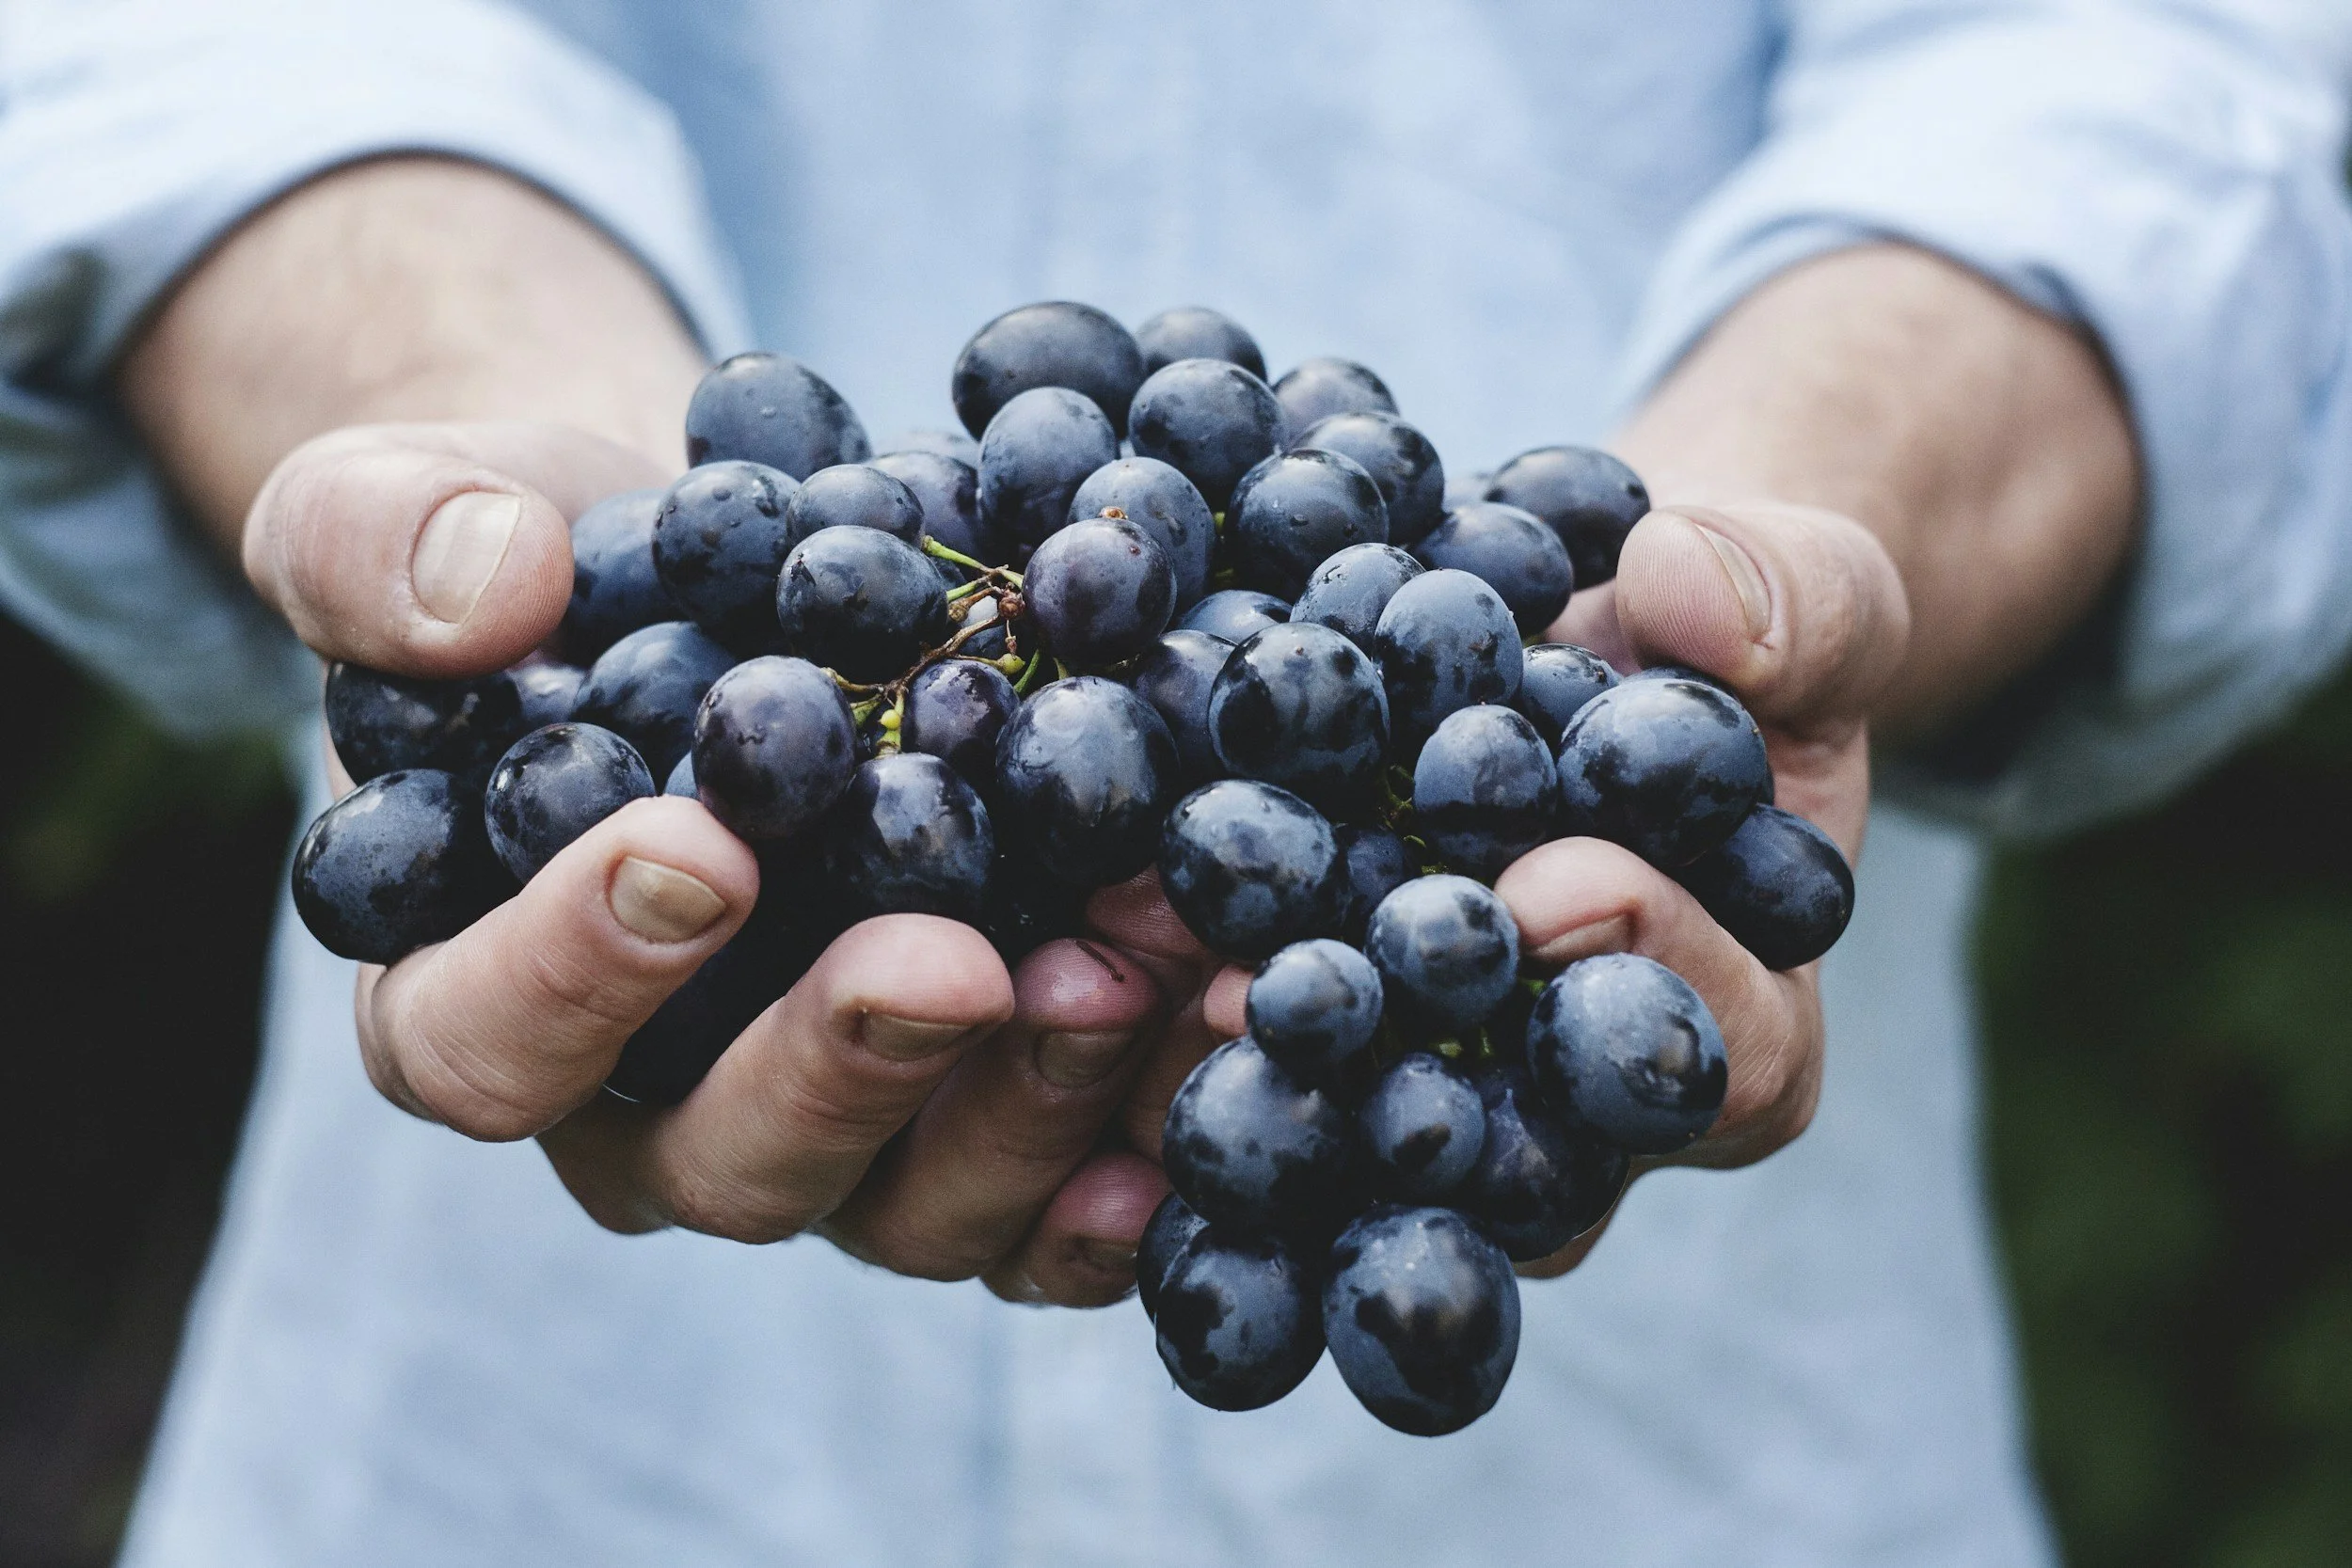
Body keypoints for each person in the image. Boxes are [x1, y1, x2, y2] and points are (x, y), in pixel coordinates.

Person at [4, 1, 2349, 1561]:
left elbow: (2152, 77)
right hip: (528, 1455)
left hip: (1679, 1463)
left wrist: (1768, 532)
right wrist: (483, 464)